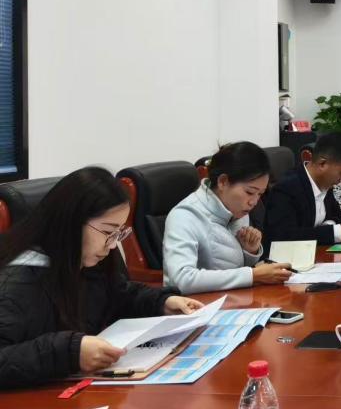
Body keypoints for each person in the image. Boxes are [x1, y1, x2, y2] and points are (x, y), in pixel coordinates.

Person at [0, 167, 203, 389]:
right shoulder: (17, 281)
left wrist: (161, 302)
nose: (113, 245)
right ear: (71, 222)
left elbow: (118, 294)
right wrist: (70, 352)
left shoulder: (83, 259)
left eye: (118, 233)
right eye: (108, 232)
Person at [164, 142, 292, 295]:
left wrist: (249, 251)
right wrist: (252, 275)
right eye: (250, 192)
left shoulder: (236, 209)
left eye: (260, 194)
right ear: (223, 182)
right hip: (196, 305)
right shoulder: (184, 216)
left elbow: (231, 266)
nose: (254, 202)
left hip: (236, 298)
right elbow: (181, 279)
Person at [263, 132, 341, 247]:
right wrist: (335, 233)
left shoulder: (325, 182)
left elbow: (337, 215)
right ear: (322, 164)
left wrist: (328, 226)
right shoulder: (287, 188)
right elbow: (283, 236)